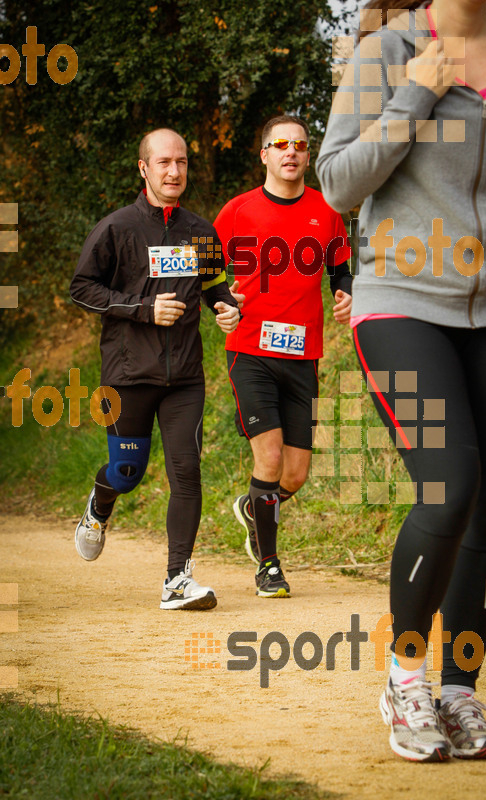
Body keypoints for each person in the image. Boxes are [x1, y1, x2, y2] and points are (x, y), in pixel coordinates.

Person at [317, 0, 486, 763]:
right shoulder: (385, 51)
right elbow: (338, 185)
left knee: (485, 511)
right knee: (448, 483)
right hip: (401, 304)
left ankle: (458, 692)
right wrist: (413, 93)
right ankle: (405, 678)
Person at [70, 128, 240, 610]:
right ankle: (100, 505)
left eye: (182, 162)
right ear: (144, 169)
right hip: (127, 374)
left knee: (186, 471)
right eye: (163, 162)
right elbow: (83, 288)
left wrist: (226, 308)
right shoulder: (116, 228)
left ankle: (177, 579)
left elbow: (213, 286)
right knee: (128, 472)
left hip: (184, 375)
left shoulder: (202, 231)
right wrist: (143, 309)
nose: (174, 171)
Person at [214, 114, 352, 598]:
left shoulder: (326, 211)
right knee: (269, 458)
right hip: (249, 349)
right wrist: (220, 302)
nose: (291, 151)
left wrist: (346, 294)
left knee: (294, 473)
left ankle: (255, 507)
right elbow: (206, 271)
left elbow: (342, 270)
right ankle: (268, 565)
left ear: (308, 155)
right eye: (280, 144)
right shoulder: (238, 211)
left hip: (303, 356)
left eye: (300, 144)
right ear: (265, 155)